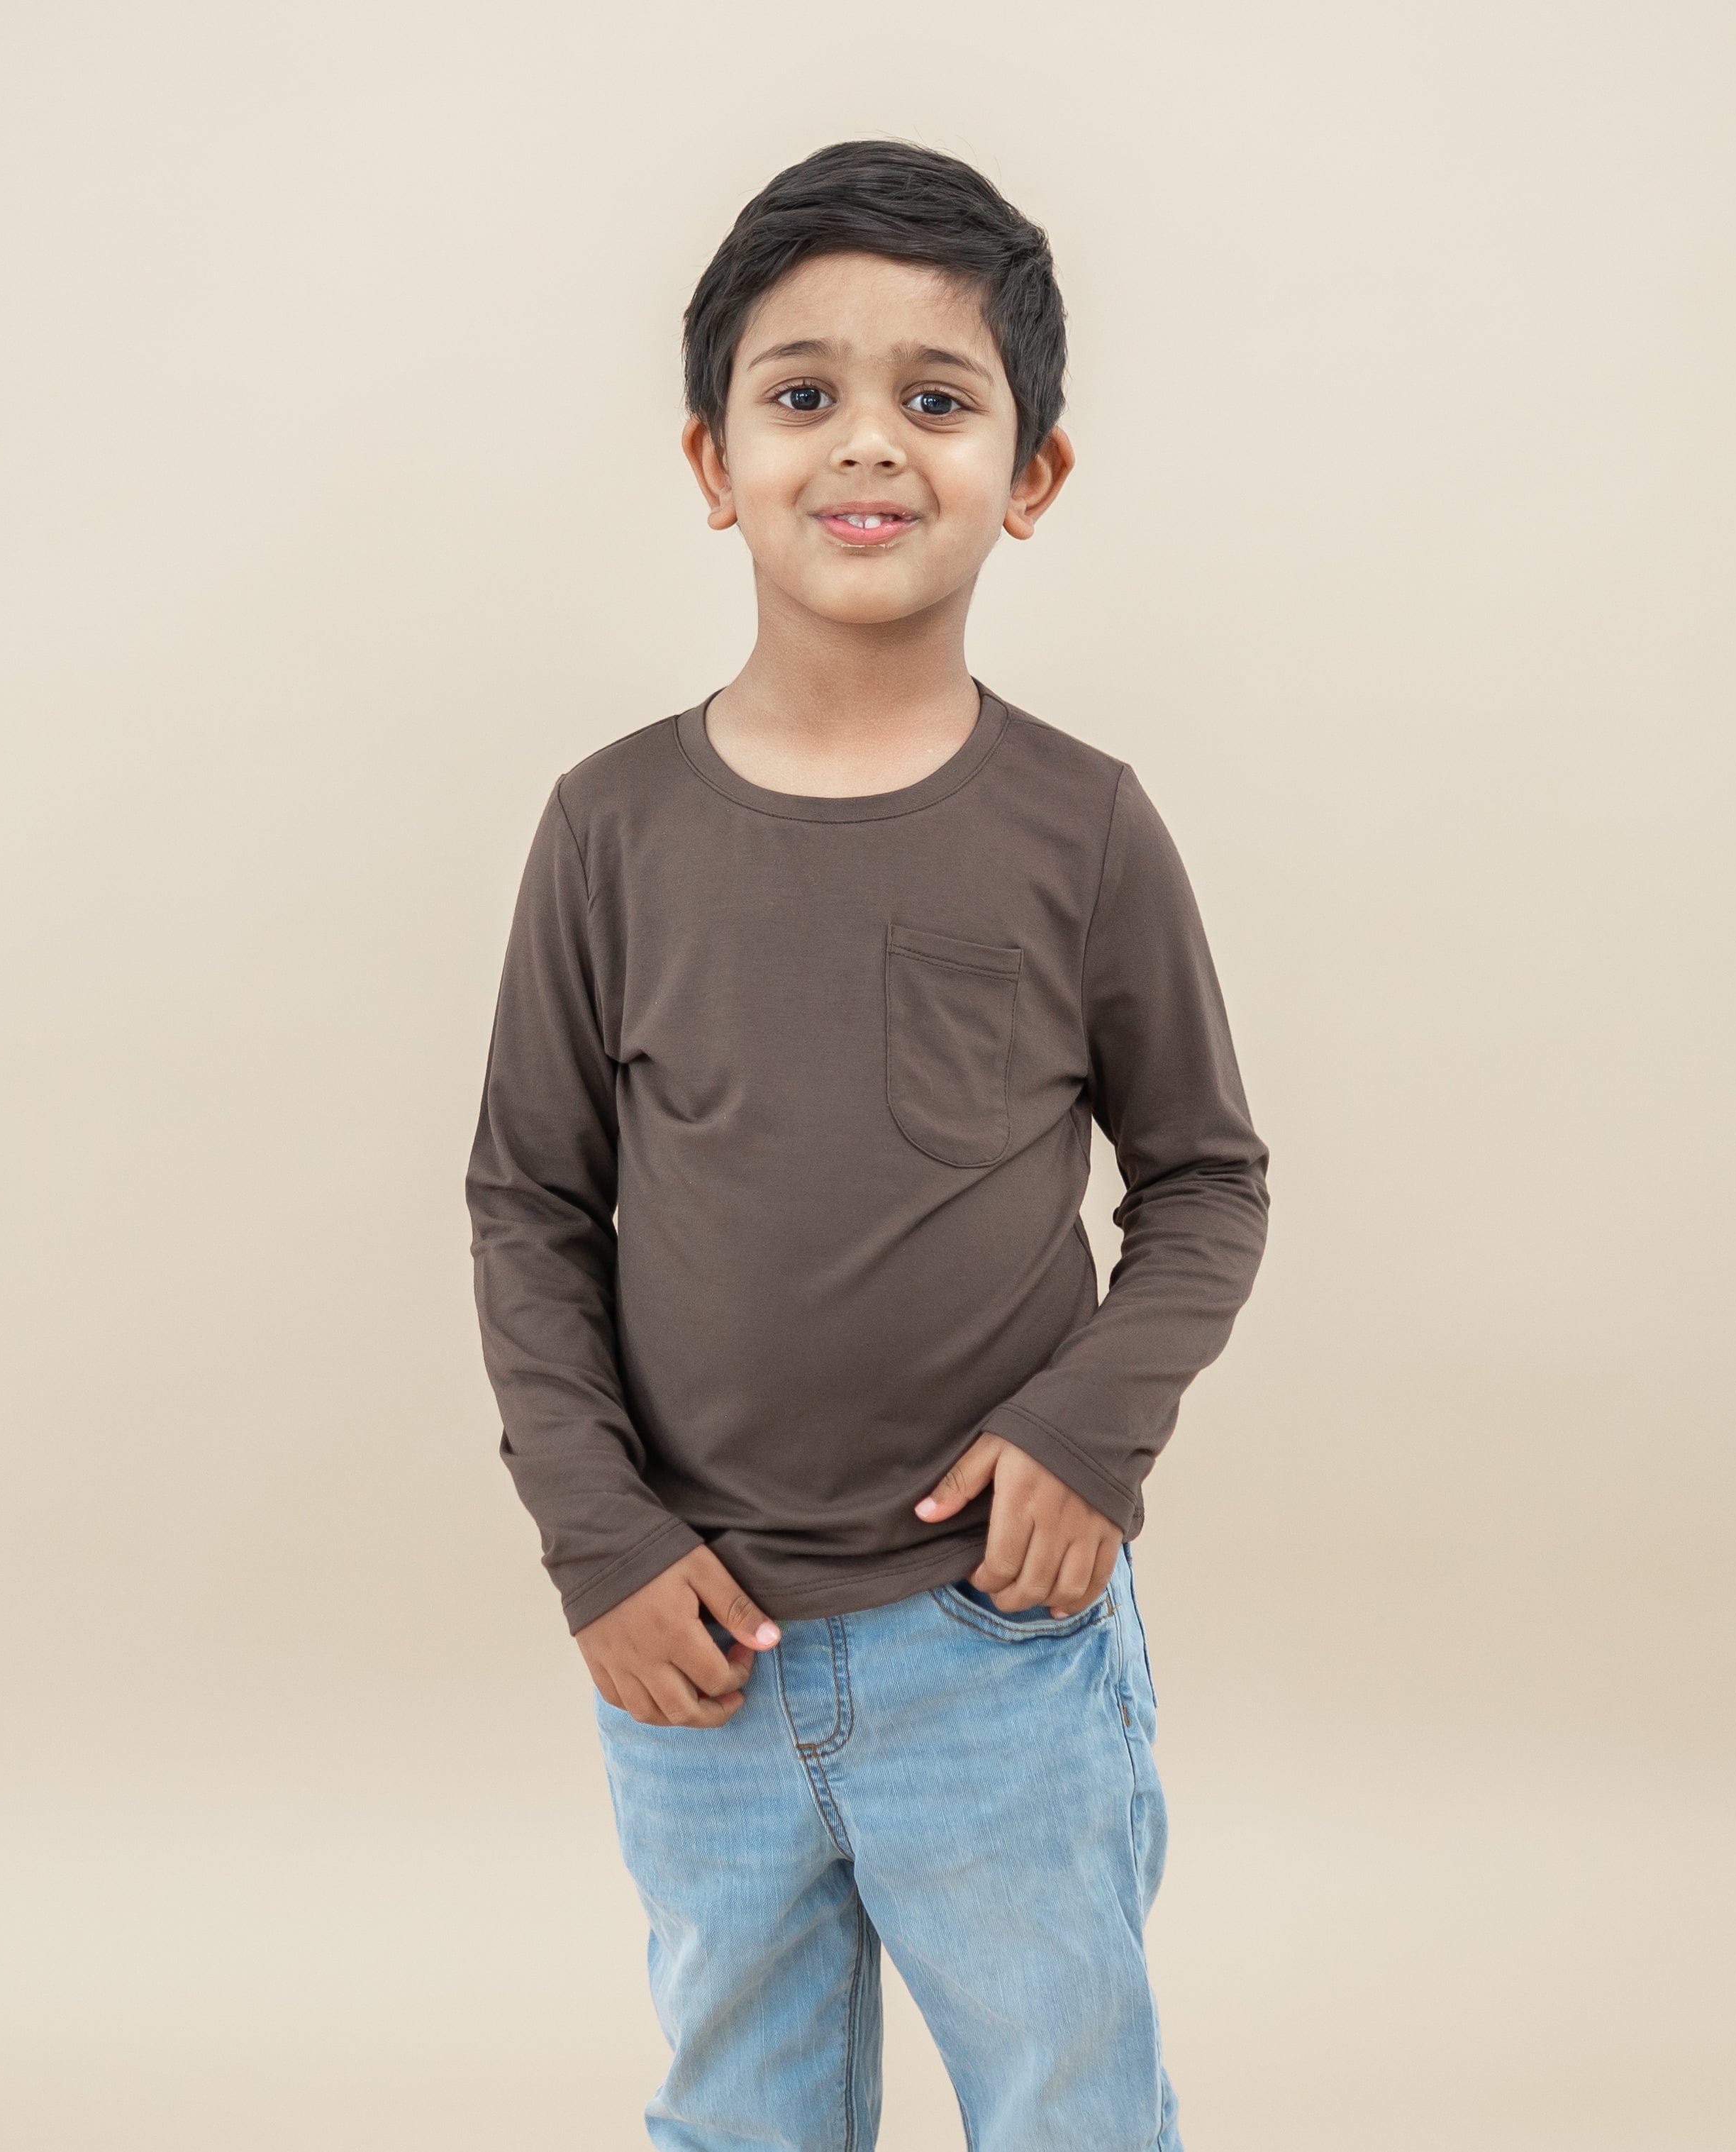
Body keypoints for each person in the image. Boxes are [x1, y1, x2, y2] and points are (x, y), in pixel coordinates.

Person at [464, 137, 1269, 2152]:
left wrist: (1093, 1436)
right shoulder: (609, 831)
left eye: (938, 395)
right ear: (709, 457)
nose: (867, 446)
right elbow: (530, 1206)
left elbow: (1203, 1183)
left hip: (994, 1651)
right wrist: (600, 1539)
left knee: (1068, 2103)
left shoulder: (1081, 830)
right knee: (736, 2111)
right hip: (692, 1650)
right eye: (801, 391)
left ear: (1035, 470)